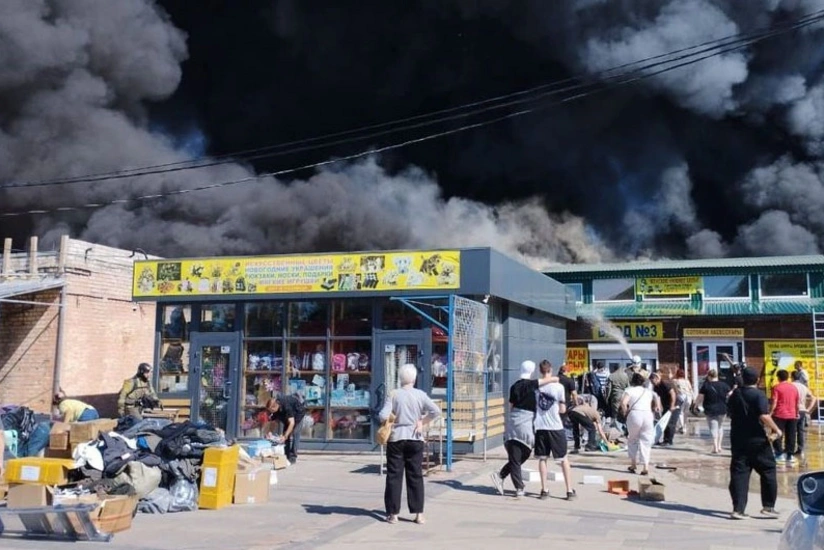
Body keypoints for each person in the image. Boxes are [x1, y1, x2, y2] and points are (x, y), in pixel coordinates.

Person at [378, 363, 441, 525]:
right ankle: (418, 514)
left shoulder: (393, 394)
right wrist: (422, 421)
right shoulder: (420, 395)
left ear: (400, 379)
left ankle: (393, 514)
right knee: (415, 476)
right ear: (414, 379)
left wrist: (392, 418)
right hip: (415, 437)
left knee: (394, 476)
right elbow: (436, 411)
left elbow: (382, 415)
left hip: (396, 438)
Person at [490, 360, 557, 498]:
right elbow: (545, 381)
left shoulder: (515, 387)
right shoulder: (531, 385)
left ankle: (500, 475)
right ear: (532, 371)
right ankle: (519, 488)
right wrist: (557, 378)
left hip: (518, 422)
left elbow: (511, 405)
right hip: (522, 422)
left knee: (525, 452)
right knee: (516, 456)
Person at [727, 367, 782, 520]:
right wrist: (776, 430)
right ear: (757, 379)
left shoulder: (735, 395)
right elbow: (763, 415)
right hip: (757, 438)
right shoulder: (759, 395)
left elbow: (730, 412)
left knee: (739, 473)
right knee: (768, 470)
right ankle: (768, 506)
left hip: (737, 437)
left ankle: (738, 510)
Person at [534, 361, 576, 500]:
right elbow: (562, 409)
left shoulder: (537, 387)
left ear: (540, 371)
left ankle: (544, 490)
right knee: (563, 459)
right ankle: (569, 490)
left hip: (540, 426)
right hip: (555, 427)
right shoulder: (558, 387)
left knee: (542, 458)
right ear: (551, 369)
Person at [620, 372, 660, 475]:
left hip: (635, 414)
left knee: (632, 439)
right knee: (646, 440)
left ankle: (633, 464)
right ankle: (645, 466)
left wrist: (625, 412)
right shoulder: (647, 391)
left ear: (632, 381)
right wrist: (656, 407)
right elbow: (656, 398)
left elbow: (624, 403)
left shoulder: (629, 390)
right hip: (647, 415)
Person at [692, 369, 730, 454]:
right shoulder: (724, 385)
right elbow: (729, 394)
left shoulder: (706, 386)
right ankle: (719, 446)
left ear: (709, 376)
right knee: (720, 427)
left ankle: (715, 447)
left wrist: (695, 405)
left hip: (710, 409)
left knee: (713, 428)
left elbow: (700, 397)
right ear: (717, 376)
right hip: (722, 409)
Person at [265, 393, 307, 464]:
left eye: (271, 411)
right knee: (285, 434)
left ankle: (293, 456)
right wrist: (270, 432)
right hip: (287, 417)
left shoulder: (286, 406)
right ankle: (286, 455)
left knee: (295, 434)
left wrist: (285, 436)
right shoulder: (275, 409)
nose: (270, 413)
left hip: (297, 414)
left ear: (274, 407)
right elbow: (273, 422)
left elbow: (292, 423)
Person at [770, 369, 799, 464]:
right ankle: (789, 455)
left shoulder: (776, 387)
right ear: (788, 377)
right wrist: (797, 413)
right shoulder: (794, 388)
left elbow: (774, 401)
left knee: (777, 434)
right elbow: (797, 402)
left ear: (778, 378)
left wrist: (770, 412)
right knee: (791, 435)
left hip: (779, 414)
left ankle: (779, 454)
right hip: (792, 414)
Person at [791, 370, 818, 459]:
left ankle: (790, 451)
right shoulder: (803, 387)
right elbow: (814, 398)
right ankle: (800, 449)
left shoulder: (791, 386)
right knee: (800, 431)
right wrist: (808, 409)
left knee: (791, 431)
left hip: (793, 411)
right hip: (802, 411)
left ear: (792, 377)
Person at [650, 372, 678, 446]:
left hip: (675, 405)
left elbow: (673, 394)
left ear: (657, 378)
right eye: (651, 382)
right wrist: (657, 406)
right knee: (664, 422)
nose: (652, 383)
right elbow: (657, 397)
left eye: (653, 381)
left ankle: (669, 441)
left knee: (670, 423)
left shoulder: (665, 384)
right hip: (666, 405)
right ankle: (665, 440)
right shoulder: (656, 387)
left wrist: (672, 406)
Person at [606, 360, 630, 425]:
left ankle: (617, 426)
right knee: (623, 411)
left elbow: (609, 389)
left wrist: (607, 398)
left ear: (614, 368)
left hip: (615, 396)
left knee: (615, 413)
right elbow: (628, 387)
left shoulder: (611, 376)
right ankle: (625, 424)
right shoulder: (625, 376)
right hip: (624, 396)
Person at [673, 368, 693, 435]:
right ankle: (684, 426)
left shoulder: (675, 381)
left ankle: (682, 427)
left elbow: (674, 387)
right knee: (686, 412)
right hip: (689, 397)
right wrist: (693, 398)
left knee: (680, 412)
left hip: (681, 396)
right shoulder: (687, 381)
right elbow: (690, 389)